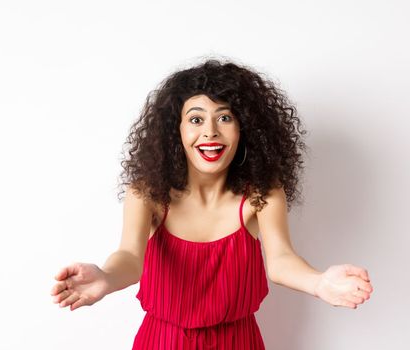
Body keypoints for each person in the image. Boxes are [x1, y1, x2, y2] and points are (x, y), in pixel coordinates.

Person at [48, 58, 374, 349]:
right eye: (196, 119)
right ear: (175, 130)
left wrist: (319, 282)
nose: (210, 133)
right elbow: (130, 257)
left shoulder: (262, 195)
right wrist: (105, 277)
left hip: (238, 342)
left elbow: (281, 260)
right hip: (162, 342)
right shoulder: (147, 193)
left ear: (244, 128)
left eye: (225, 118)